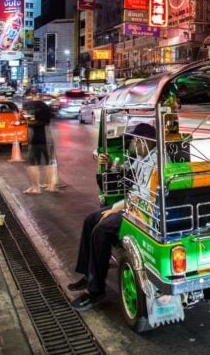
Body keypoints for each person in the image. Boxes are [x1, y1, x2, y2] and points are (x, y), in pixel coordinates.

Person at [68, 123, 158, 311]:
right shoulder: (143, 157)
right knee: (90, 220)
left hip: (143, 211)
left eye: (135, 140)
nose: (133, 144)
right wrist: (109, 164)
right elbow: (128, 172)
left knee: (101, 229)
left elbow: (143, 196)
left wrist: (116, 208)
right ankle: (88, 273)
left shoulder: (156, 162)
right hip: (132, 205)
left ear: (145, 141)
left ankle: (96, 290)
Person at [22, 93, 56, 194]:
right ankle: (51, 186)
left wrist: (26, 118)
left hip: (34, 138)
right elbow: (49, 117)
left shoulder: (29, 106)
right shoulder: (45, 107)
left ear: (32, 95)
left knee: (32, 162)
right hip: (47, 137)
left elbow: (31, 121)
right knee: (49, 161)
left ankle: (35, 188)